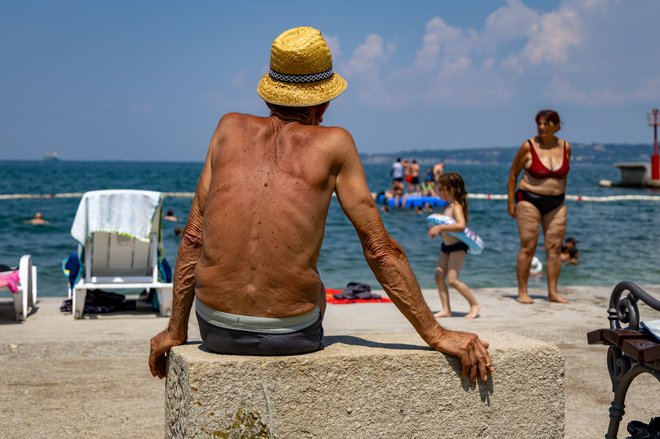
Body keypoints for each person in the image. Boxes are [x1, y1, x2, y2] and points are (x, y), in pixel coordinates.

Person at [149, 26, 493, 383]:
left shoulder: (227, 129)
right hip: (290, 336)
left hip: (215, 328)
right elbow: (379, 250)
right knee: (313, 287)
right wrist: (436, 334)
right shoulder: (335, 144)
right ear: (324, 102)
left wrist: (176, 330)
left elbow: (192, 237)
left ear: (269, 96)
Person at [507, 109, 571, 304]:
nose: (542, 127)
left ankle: (552, 292)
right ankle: (523, 291)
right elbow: (512, 175)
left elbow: (564, 176)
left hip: (557, 203)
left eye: (546, 123)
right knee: (528, 246)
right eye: (539, 124)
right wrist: (511, 202)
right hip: (529, 199)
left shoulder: (566, 147)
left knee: (554, 248)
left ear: (556, 126)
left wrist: (560, 195)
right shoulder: (528, 146)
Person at [427, 173, 480, 319]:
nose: (438, 191)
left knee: (452, 280)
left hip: (458, 247)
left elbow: (461, 226)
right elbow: (449, 226)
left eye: (440, 188)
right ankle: (446, 309)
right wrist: (437, 230)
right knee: (438, 275)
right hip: (446, 246)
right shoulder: (448, 207)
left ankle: (474, 304)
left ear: (450, 189)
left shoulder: (457, 206)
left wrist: (440, 229)